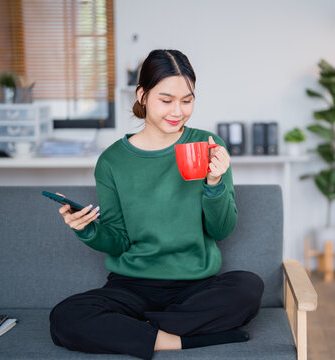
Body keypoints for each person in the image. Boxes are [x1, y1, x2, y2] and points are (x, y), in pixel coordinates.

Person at [48, 49, 264, 360]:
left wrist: (215, 184)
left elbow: (221, 229)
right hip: (132, 289)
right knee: (65, 316)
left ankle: (135, 332)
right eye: (166, 100)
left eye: (187, 100)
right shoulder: (113, 161)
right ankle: (184, 340)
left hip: (195, 286)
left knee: (247, 287)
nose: (178, 111)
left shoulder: (208, 145)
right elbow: (118, 242)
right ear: (142, 95)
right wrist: (88, 230)